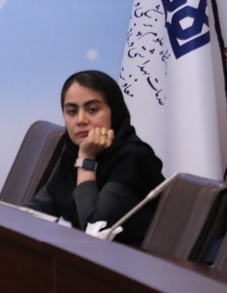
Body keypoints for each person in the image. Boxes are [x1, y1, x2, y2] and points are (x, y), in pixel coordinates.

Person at [23, 69, 165, 245]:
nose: (80, 120)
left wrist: (86, 160)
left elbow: (94, 230)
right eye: (71, 111)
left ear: (114, 111)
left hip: (129, 260)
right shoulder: (72, 153)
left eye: (92, 109)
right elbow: (37, 209)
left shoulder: (133, 158)